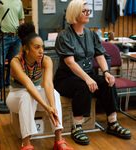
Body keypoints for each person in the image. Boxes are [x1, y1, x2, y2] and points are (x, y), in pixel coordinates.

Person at [53, 0, 131, 146]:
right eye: (85, 11)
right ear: (75, 13)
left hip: (86, 74)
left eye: (89, 11)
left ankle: (112, 123)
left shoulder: (91, 34)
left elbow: (99, 55)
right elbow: (70, 62)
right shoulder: (64, 36)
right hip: (66, 78)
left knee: (108, 82)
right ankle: (77, 127)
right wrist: (88, 79)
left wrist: (106, 72)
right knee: (83, 85)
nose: (89, 13)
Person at [6, 22, 73, 150]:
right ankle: (26, 144)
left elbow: (48, 84)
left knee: (54, 93)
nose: (41, 51)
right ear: (26, 48)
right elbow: (28, 85)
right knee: (26, 95)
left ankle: (59, 140)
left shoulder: (46, 60)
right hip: (16, 96)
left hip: (35, 95)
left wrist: (52, 107)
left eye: (42, 47)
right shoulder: (16, 62)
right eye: (36, 47)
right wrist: (47, 107)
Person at [0, 0, 24, 98]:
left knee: (14, 63)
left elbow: (21, 20)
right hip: (3, 36)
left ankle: (9, 84)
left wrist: (23, 36)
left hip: (17, 37)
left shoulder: (19, 2)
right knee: (0, 63)